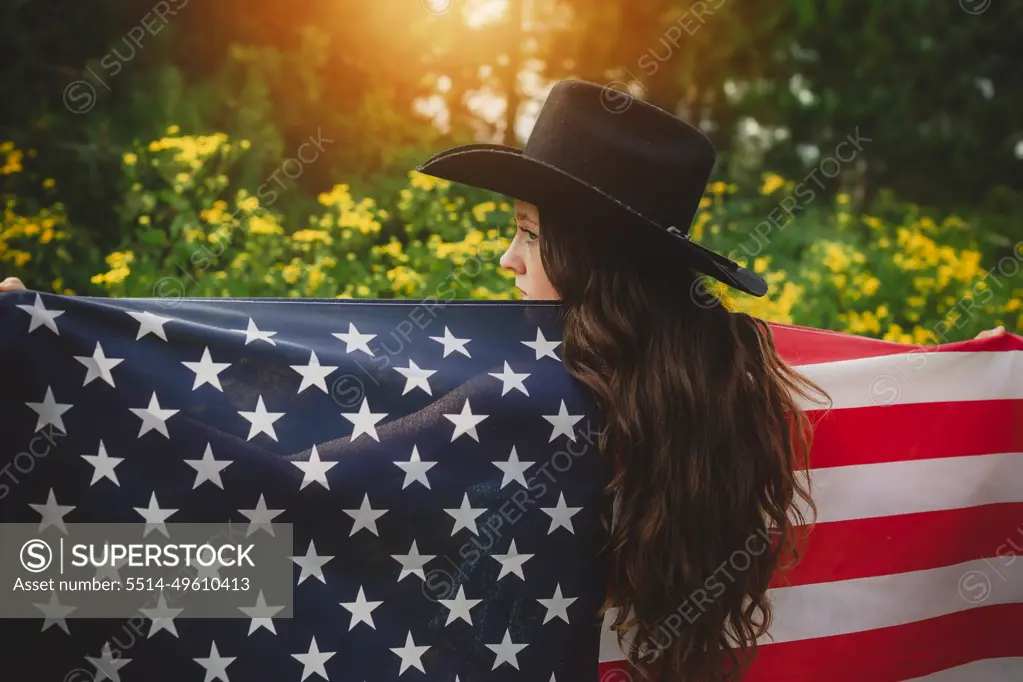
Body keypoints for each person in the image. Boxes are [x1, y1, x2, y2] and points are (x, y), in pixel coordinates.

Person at [0, 79, 1007, 679]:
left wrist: (33, 351)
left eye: (524, 235)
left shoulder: (517, 403)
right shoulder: (724, 379)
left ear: (590, 258)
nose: (503, 264)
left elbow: (272, 505)